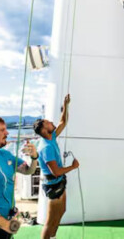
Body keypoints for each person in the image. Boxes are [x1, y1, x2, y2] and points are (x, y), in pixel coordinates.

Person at [33, 94, 79, 239]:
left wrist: (66, 105)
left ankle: (53, 236)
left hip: (59, 182)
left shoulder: (51, 137)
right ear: (44, 130)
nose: (51, 123)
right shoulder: (46, 148)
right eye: (48, 123)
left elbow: (63, 122)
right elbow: (56, 171)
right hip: (53, 185)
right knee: (50, 221)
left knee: (62, 210)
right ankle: (49, 236)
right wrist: (73, 166)